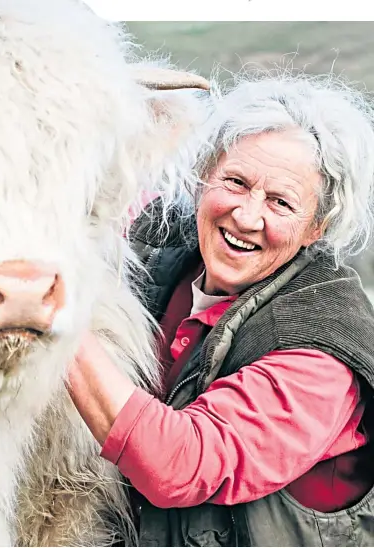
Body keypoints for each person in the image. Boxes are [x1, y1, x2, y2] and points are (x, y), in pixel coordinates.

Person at [66, 72, 374, 546]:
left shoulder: (322, 348)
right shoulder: (165, 241)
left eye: (280, 202)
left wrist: (52, 310)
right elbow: (93, 193)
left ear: (317, 227)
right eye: (235, 181)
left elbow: (179, 464)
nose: (248, 217)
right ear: (203, 173)